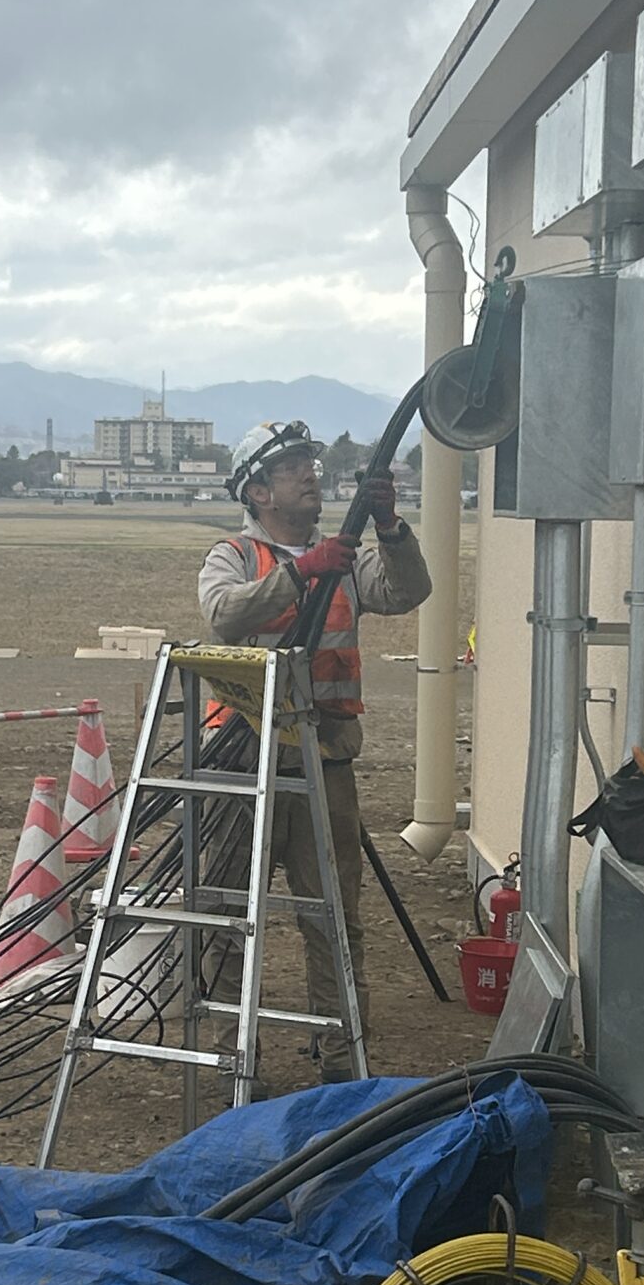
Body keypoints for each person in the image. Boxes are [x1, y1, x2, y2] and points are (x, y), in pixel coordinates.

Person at [196, 421, 431, 1079]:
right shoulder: (234, 556)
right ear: (258, 490)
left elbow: (408, 591)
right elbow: (225, 614)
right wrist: (300, 573)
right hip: (245, 762)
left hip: (325, 760)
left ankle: (341, 1059)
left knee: (333, 916)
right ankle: (231, 1059)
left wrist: (390, 528)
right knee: (227, 911)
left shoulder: (347, 557)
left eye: (310, 463)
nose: (309, 474)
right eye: (292, 466)